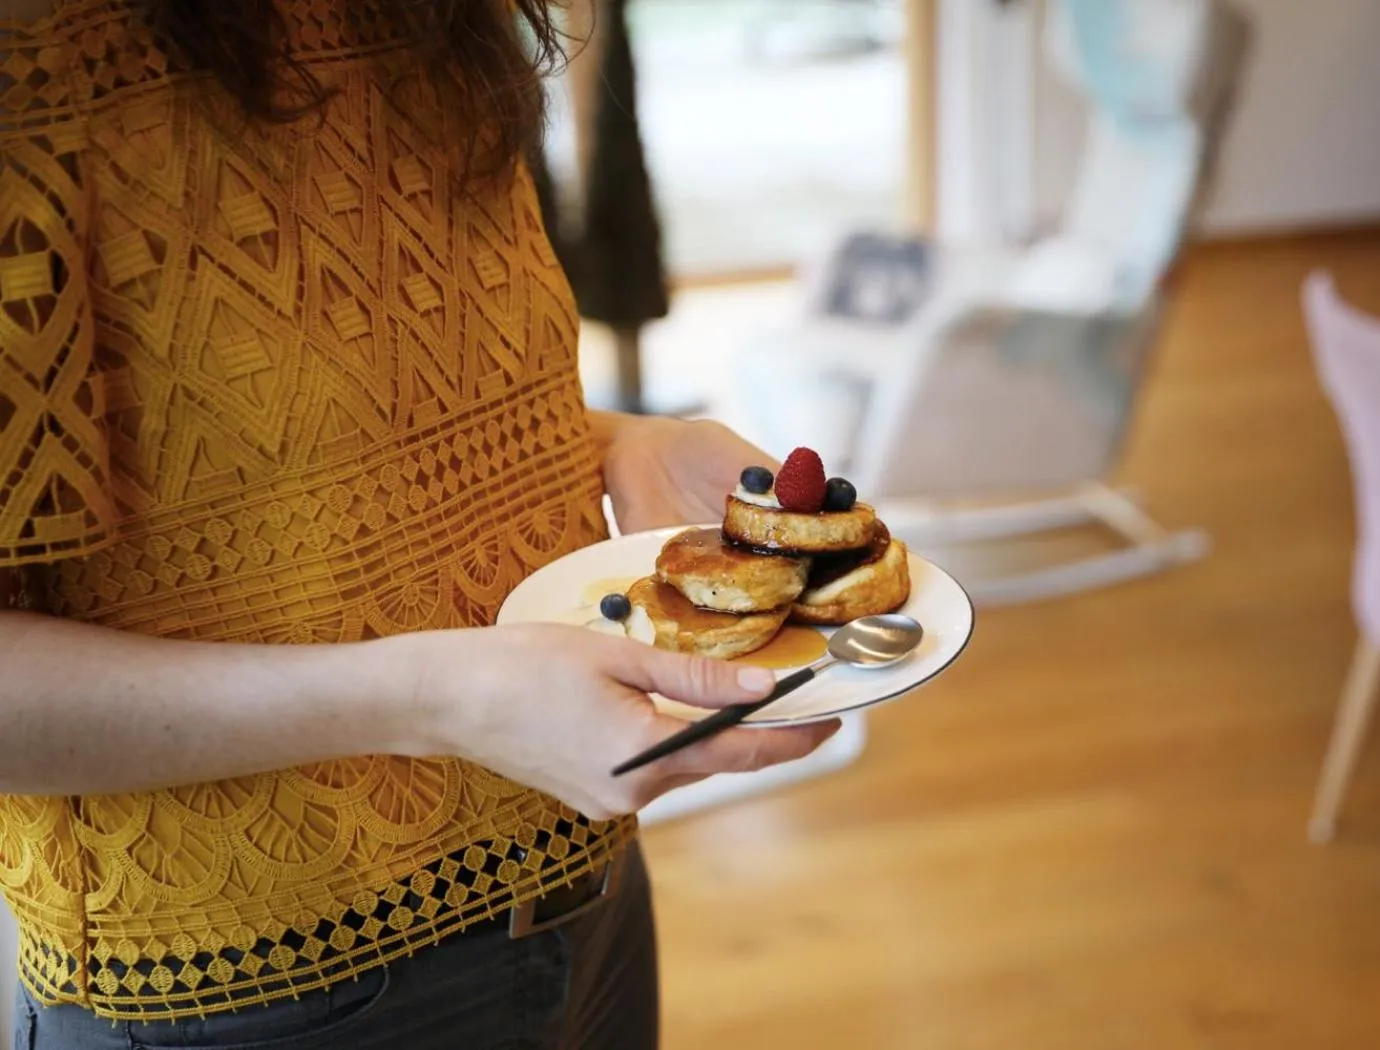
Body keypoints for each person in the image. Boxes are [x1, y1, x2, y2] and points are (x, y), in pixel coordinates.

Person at [0, 1, 837, 1047]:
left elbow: (294, 428)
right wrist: (432, 701)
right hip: (260, 994)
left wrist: (618, 441)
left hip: (584, 884)